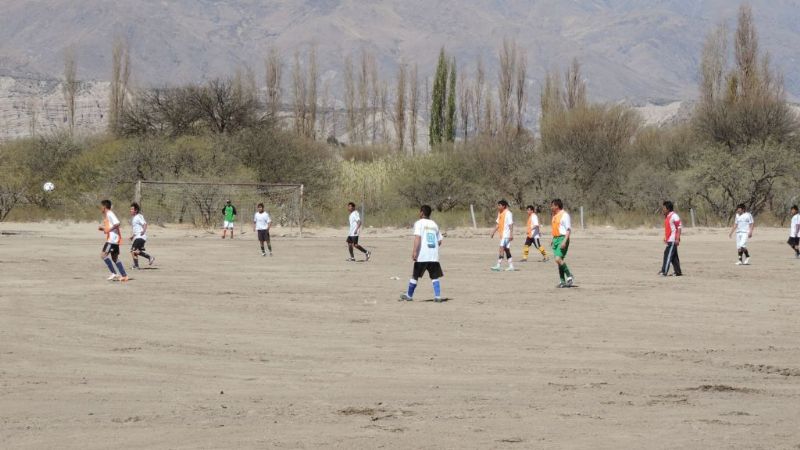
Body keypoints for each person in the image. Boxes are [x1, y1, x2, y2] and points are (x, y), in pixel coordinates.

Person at [400, 205, 444, 302]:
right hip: (433, 256)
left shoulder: (419, 223)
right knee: (434, 277)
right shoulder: (434, 224)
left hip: (422, 255)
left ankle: (409, 295)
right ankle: (438, 296)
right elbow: (440, 241)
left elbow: (418, 238)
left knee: (415, 276)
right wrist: (432, 249)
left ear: (421, 213)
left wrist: (414, 252)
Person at [98, 199, 128, 282]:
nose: (100, 208)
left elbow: (117, 223)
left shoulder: (110, 213)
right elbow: (112, 227)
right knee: (115, 258)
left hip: (111, 240)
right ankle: (124, 276)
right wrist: (104, 229)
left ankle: (114, 273)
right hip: (114, 239)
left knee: (103, 255)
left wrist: (108, 230)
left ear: (104, 207)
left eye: (101, 206)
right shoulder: (108, 214)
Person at [550, 199, 574, 288]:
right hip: (556, 239)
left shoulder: (565, 215)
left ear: (557, 206)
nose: (551, 207)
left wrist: (565, 240)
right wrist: (553, 239)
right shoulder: (554, 216)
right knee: (559, 261)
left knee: (558, 259)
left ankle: (569, 275)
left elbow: (568, 229)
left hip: (562, 238)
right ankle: (562, 281)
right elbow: (556, 228)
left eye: (552, 205)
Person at [660, 200, 683, 277]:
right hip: (669, 239)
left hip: (673, 240)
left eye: (664, 208)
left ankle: (664, 271)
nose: (663, 210)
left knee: (668, 255)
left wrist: (677, 238)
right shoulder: (667, 216)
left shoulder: (674, 216)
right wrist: (665, 237)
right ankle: (678, 272)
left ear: (668, 209)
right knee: (674, 256)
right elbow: (669, 229)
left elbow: (679, 228)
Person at [490, 199, 514, 271]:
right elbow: (498, 224)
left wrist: (511, 234)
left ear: (503, 206)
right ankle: (511, 266)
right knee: (506, 250)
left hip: (506, 235)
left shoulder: (508, 213)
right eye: (498, 205)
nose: (498, 206)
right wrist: (493, 232)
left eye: (499, 205)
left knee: (501, 249)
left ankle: (498, 265)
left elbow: (511, 224)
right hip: (502, 235)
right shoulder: (500, 213)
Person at [129, 202, 155, 269]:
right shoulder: (134, 218)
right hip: (138, 236)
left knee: (133, 251)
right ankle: (136, 265)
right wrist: (133, 236)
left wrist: (143, 231)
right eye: (130, 209)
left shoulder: (138, 216)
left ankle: (149, 257)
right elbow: (137, 229)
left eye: (132, 209)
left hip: (140, 237)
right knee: (135, 251)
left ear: (136, 210)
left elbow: (145, 224)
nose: (130, 210)